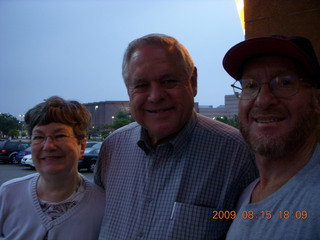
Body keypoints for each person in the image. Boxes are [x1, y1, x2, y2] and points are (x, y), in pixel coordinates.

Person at [94, 33, 258, 239]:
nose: (155, 96)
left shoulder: (237, 152)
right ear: (129, 91)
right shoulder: (112, 148)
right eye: (141, 85)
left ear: (193, 81)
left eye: (168, 81)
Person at [222, 35, 320, 239]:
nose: (263, 100)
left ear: (317, 100)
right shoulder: (248, 193)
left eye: (284, 83)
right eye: (250, 85)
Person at [0, 96, 105, 239]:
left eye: (60, 135)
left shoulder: (103, 205)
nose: (48, 146)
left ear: (82, 146)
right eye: (38, 137)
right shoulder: (8, 194)